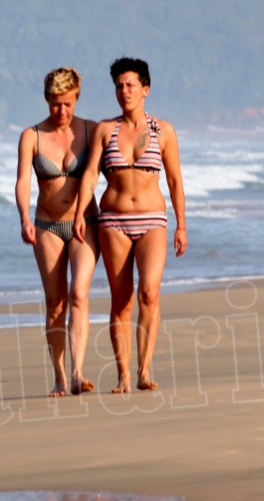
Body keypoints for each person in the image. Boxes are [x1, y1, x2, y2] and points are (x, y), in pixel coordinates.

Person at [73, 58, 186, 393]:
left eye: (131, 85)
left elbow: (176, 180)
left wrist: (181, 225)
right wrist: (80, 213)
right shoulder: (105, 130)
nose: (124, 91)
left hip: (153, 220)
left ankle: (144, 370)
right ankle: (124, 374)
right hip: (113, 222)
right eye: (119, 86)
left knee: (149, 293)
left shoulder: (164, 131)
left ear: (145, 89)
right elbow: (92, 173)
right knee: (121, 299)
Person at [15, 67, 100, 397]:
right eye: (54, 104)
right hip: (47, 226)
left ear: (76, 98)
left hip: (85, 224)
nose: (61, 111)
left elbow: (114, 170)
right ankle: (60, 377)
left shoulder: (91, 132)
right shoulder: (32, 136)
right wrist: (24, 217)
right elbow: (23, 181)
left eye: (67, 103)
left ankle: (79, 372)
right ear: (46, 100)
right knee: (56, 303)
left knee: (79, 293)